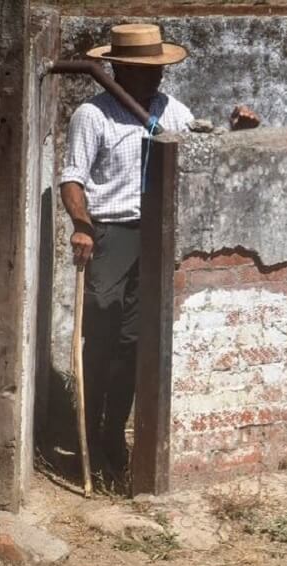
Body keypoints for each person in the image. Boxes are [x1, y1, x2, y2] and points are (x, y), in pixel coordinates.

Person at [59, 23, 194, 483]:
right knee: (100, 324)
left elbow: (195, 152)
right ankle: (87, 436)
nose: (154, 79)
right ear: (117, 69)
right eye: (142, 71)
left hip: (156, 232)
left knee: (135, 342)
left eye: (157, 71)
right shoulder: (92, 115)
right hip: (111, 231)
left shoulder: (172, 110)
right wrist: (83, 227)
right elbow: (72, 178)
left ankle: (115, 433)